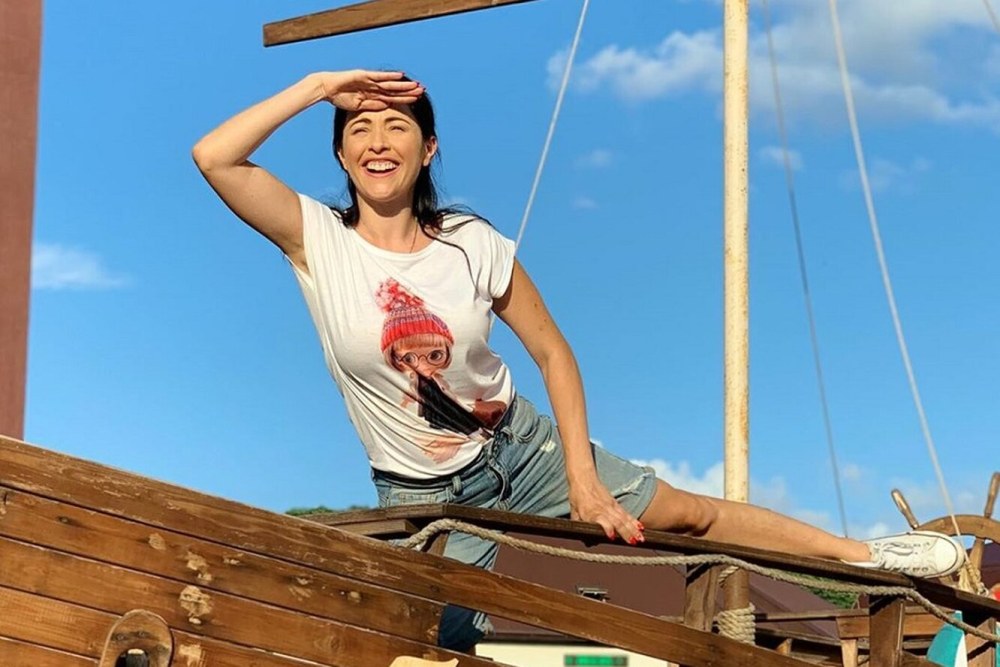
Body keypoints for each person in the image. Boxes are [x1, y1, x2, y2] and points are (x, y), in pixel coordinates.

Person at [193, 69, 967, 652]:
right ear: (340, 151)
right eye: (358, 128)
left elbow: (552, 350)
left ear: (428, 150)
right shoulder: (317, 239)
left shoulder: (471, 244)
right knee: (426, 643)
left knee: (687, 513)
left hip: (523, 450)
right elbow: (215, 155)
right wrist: (320, 85)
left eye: (396, 126)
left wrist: (583, 478)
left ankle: (866, 552)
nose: (376, 141)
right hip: (420, 491)